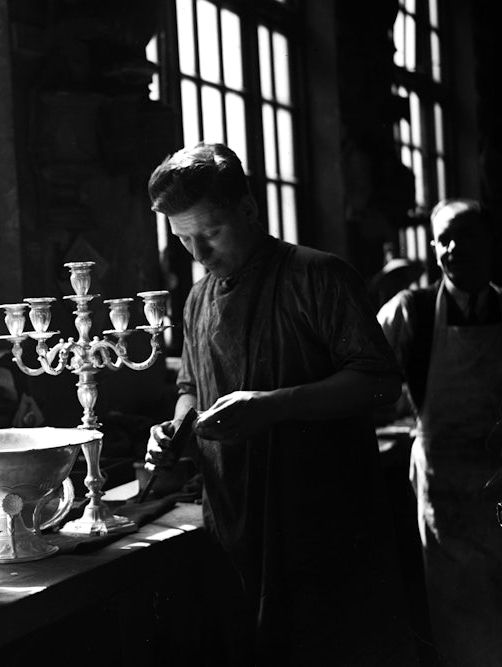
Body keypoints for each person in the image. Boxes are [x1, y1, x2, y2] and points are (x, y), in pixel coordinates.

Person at [145, 142, 419, 665]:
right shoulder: (197, 301)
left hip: (322, 525)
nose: (198, 254)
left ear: (248, 209)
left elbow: (381, 382)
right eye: (183, 239)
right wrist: (177, 430)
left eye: (210, 233)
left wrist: (273, 406)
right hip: (234, 523)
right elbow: (190, 387)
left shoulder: (319, 276)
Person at [377, 198, 502, 667]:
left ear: (490, 242)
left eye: (465, 236)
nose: (453, 249)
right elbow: (364, 376)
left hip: (498, 489)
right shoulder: (410, 312)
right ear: (433, 248)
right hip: (445, 497)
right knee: (461, 629)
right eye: (444, 239)